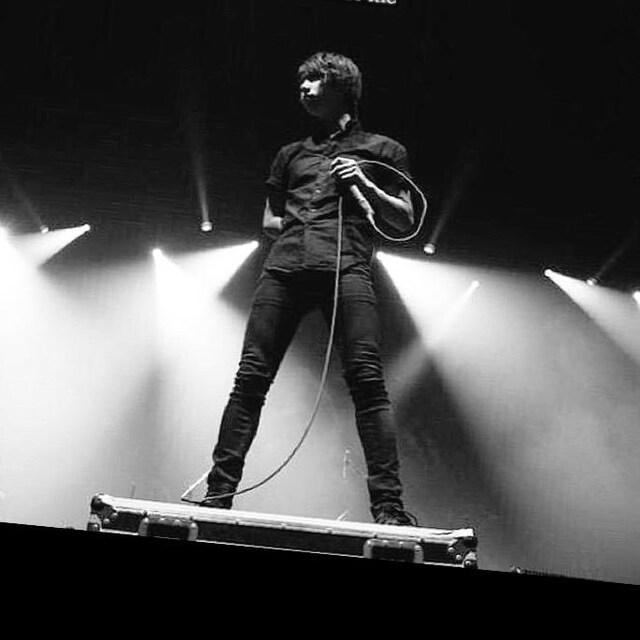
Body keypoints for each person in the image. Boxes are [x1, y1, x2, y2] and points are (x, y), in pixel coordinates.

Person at [201, 51, 418, 526]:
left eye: (315, 79)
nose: (304, 87)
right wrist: (299, 227)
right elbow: (268, 219)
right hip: (285, 269)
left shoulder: (384, 150)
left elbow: (404, 219)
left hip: (347, 267)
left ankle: (389, 507)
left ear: (343, 88)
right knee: (250, 379)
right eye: (302, 80)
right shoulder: (290, 154)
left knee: (367, 382)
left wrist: (366, 184)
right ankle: (218, 493)